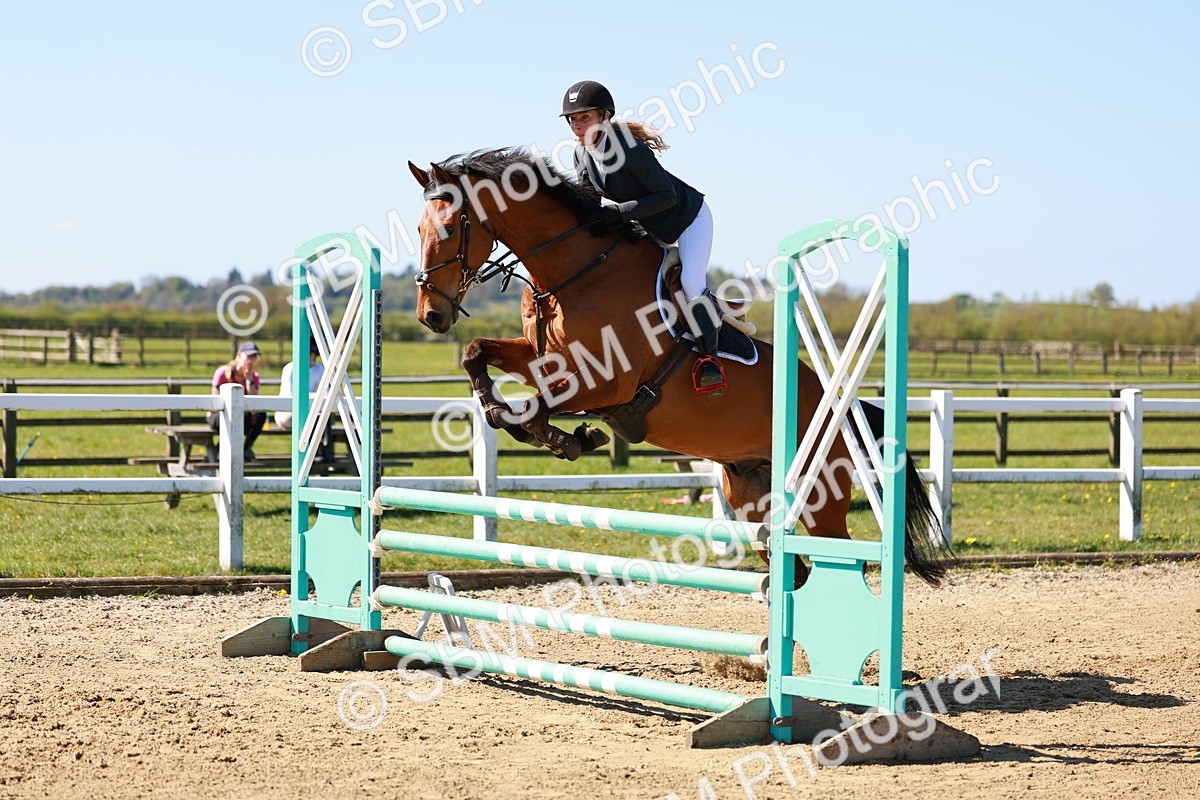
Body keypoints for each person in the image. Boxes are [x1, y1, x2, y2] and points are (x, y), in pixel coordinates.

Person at [562, 79, 727, 397]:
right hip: (649, 227)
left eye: (585, 117)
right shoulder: (581, 155)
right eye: (573, 119)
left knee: (691, 283)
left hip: (688, 220)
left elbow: (666, 196)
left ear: (605, 116)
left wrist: (619, 213)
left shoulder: (630, 150)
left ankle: (710, 361)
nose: (577, 126)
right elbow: (589, 204)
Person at [275, 337, 334, 461]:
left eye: (312, 353)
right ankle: (311, 452)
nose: (310, 357)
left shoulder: (320, 369)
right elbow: (289, 396)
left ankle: (324, 449)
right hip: (287, 414)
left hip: (309, 411)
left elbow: (327, 394)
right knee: (313, 417)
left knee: (323, 415)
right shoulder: (290, 369)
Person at [208, 341, 267, 462]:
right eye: (249, 356)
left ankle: (244, 449)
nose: (251, 360)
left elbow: (255, 403)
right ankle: (223, 451)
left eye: (254, 357)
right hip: (218, 416)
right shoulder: (223, 372)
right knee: (241, 417)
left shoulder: (254, 377)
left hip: (242, 417)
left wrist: (249, 380)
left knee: (261, 416)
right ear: (239, 356)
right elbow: (215, 401)